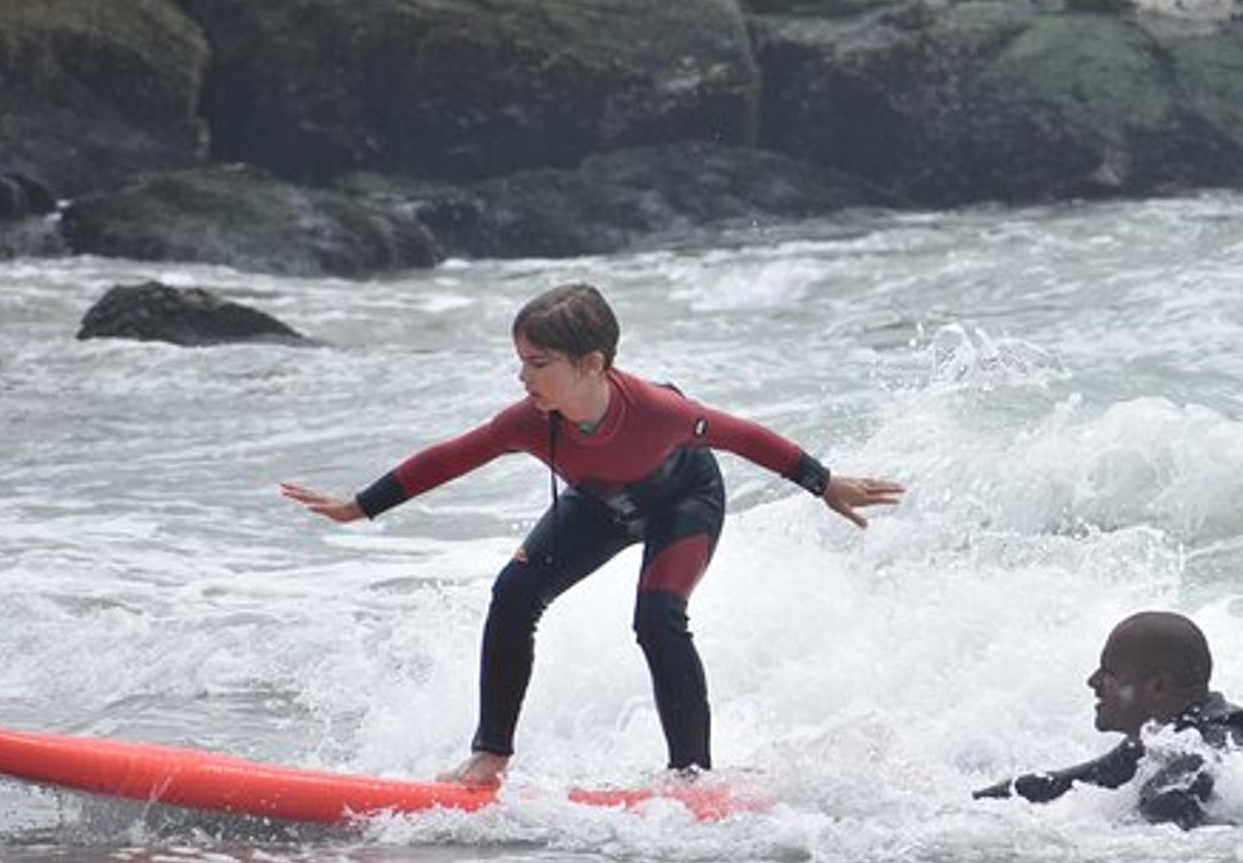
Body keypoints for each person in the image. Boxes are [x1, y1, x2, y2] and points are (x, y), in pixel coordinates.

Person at [283, 282, 903, 785]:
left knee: (658, 618)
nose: (523, 378)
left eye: (538, 364)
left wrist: (826, 484)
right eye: (520, 362)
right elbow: (454, 455)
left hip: (682, 502)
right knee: (513, 595)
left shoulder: (661, 413)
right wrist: (362, 506)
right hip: (600, 504)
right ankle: (489, 756)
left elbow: (743, 435)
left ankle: (691, 777)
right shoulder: (530, 420)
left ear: (593, 366)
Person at [974, 610, 1243, 829]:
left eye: (1109, 672)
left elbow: (1166, 833)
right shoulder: (1165, 735)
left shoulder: (1204, 749)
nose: (1092, 681)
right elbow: (1062, 783)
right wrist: (970, 804)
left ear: (1157, 686)